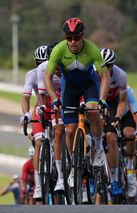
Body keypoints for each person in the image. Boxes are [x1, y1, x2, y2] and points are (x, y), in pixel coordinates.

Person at [44, 17, 111, 188]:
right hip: (70, 88)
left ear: (82, 36)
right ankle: (74, 164)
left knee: (93, 110)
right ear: (65, 37)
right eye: (69, 38)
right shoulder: (58, 50)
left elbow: (105, 76)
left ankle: (97, 148)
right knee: (70, 129)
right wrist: (54, 99)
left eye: (76, 37)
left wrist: (102, 99)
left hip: (89, 84)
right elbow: (47, 77)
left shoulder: (92, 49)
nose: (73, 42)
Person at [99, 48, 137, 202]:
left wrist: (117, 118)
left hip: (117, 104)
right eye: (102, 66)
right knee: (110, 137)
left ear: (113, 65)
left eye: (108, 66)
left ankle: (129, 169)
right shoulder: (93, 73)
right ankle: (114, 179)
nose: (105, 69)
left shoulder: (120, 75)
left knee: (129, 134)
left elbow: (123, 102)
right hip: (102, 104)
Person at [19, 46, 48, 200]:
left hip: (56, 106)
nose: (42, 65)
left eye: (45, 62)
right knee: (38, 142)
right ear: (36, 62)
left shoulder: (58, 72)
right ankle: (38, 185)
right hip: (40, 108)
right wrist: (26, 114)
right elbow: (25, 97)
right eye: (40, 62)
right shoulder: (31, 74)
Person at [36, 42, 65, 192]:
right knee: (58, 131)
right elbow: (42, 96)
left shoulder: (69, 65)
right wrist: (42, 108)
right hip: (52, 99)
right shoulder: (42, 69)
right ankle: (60, 176)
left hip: (70, 95)